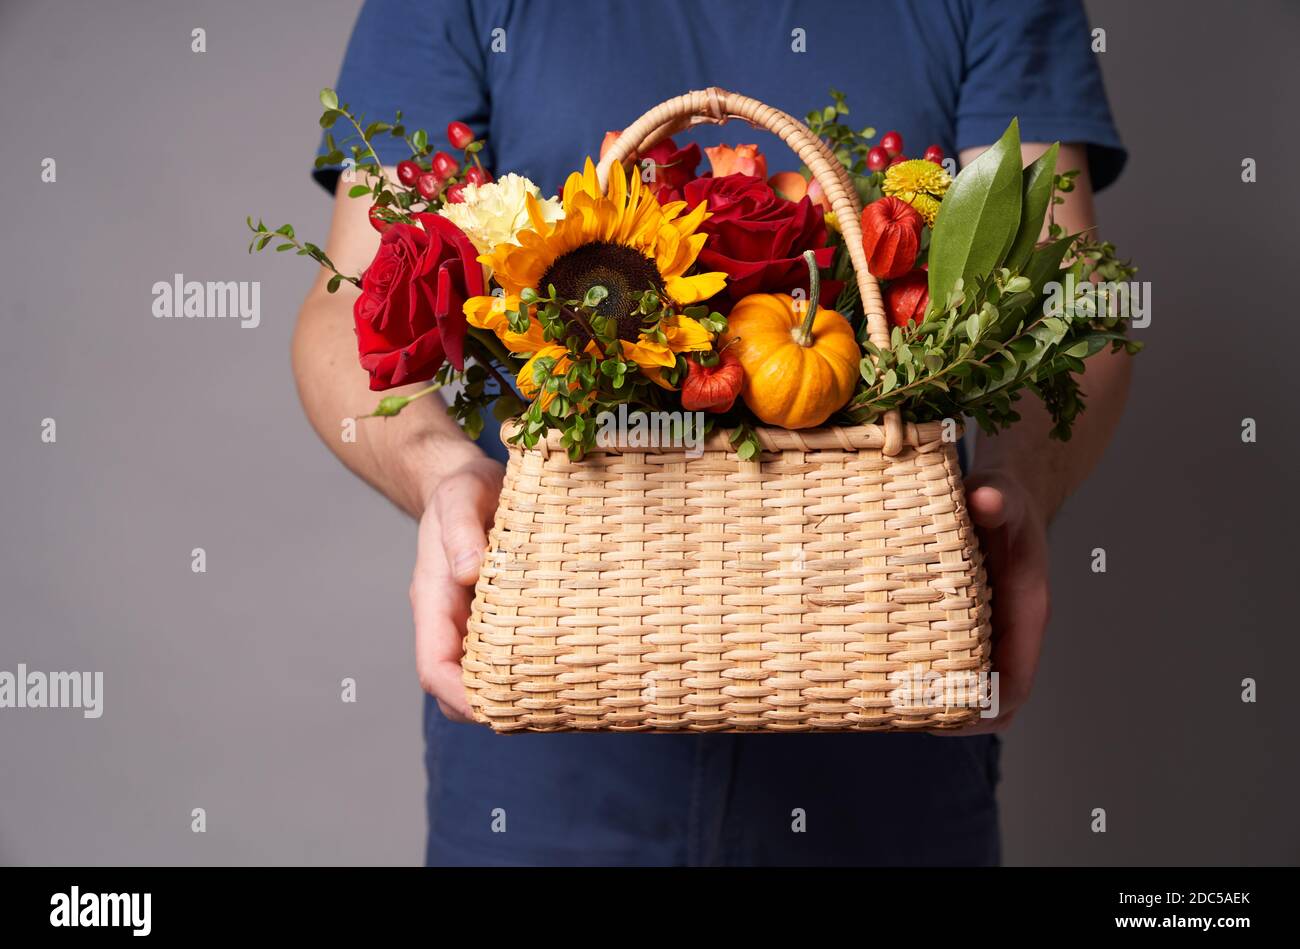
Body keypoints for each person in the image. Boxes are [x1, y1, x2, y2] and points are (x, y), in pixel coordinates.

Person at [294, 0, 1129, 866]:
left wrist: (1018, 476)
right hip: (548, 739)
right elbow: (346, 308)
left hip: (882, 707)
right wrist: (440, 472)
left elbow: (1065, 295)